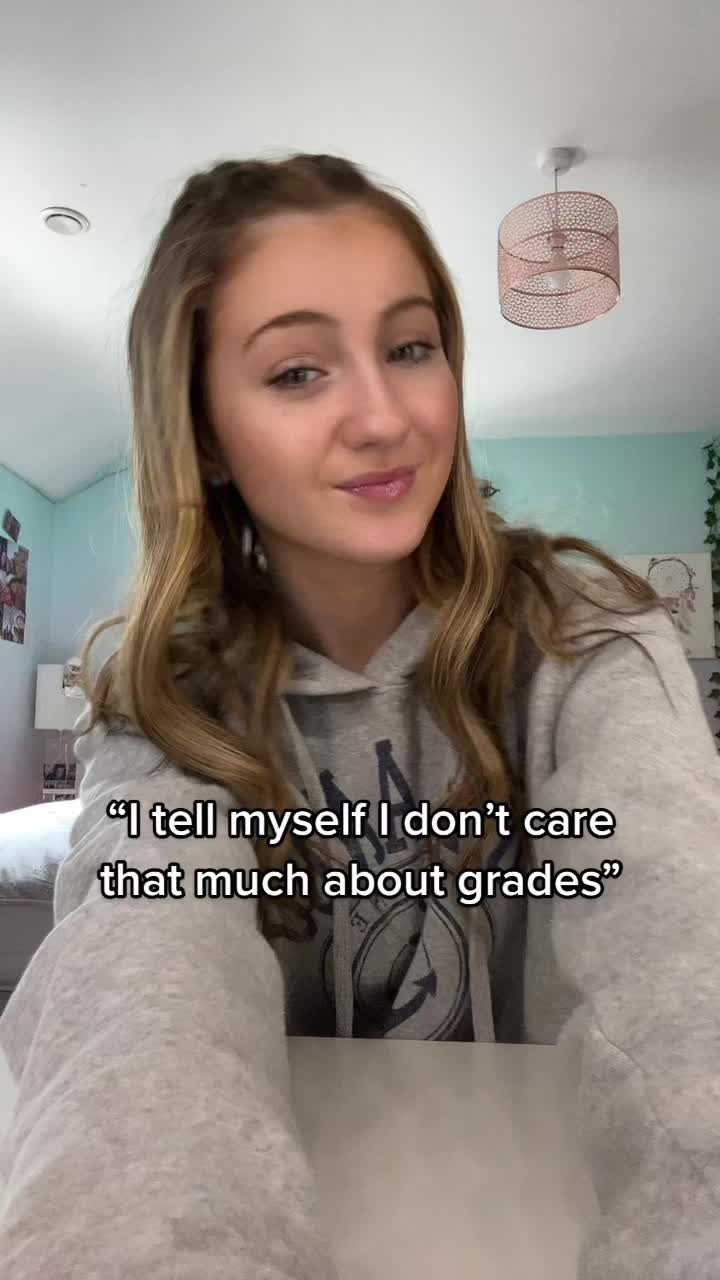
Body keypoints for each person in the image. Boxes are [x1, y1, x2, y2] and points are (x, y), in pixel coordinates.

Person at [1, 152, 718, 1280]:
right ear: (204, 434)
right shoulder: (174, 702)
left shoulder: (592, 644)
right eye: (297, 372)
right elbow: (141, 1018)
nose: (384, 417)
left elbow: (684, 964)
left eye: (411, 347)